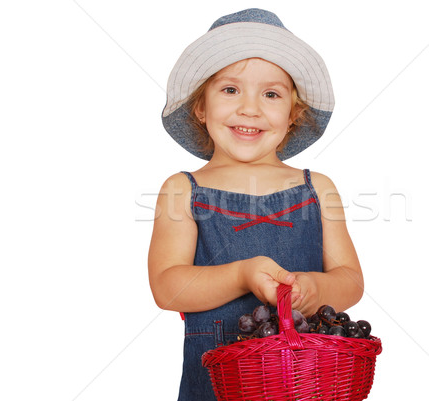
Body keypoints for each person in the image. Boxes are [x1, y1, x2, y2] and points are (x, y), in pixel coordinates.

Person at [148, 8, 364, 400]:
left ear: (292, 115)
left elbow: (351, 278)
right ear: (201, 107)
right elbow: (167, 288)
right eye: (230, 90)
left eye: (271, 94)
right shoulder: (182, 189)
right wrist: (242, 276)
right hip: (213, 388)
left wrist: (317, 288)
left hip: (306, 381)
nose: (250, 108)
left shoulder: (318, 188)